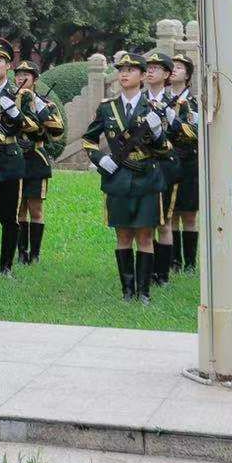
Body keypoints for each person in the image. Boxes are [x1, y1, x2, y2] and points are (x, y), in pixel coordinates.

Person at [82, 50, 173, 302]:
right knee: (123, 235)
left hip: (147, 177)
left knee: (145, 235)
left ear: (142, 76)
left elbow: (165, 150)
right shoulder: (107, 108)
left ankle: (144, 292)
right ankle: (127, 291)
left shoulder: (153, 108)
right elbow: (88, 140)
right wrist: (101, 159)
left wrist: (157, 132)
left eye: (130, 70)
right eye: (121, 70)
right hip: (118, 177)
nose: (124, 74)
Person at [0, 37, 38, 276]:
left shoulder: (21, 95)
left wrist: (15, 114)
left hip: (10, 159)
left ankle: (6, 266)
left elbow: (35, 127)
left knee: (9, 217)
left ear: (8, 65)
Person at [141, 50, 196, 286]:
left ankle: (163, 273)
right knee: (146, 221)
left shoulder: (179, 103)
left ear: (166, 74)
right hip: (141, 166)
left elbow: (192, 134)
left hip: (167, 166)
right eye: (148, 68)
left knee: (165, 221)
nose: (150, 71)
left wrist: (173, 120)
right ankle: (149, 268)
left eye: (156, 68)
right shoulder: (137, 100)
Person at [13, 59, 65, 264]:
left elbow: (57, 130)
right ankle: (21, 252)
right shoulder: (8, 101)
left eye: (26, 75)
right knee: (18, 208)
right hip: (15, 158)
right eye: (18, 75)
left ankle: (35, 253)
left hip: (36, 158)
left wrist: (38, 106)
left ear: (35, 79)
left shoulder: (46, 103)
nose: (21, 79)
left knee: (35, 208)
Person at [166, 51, 201, 272]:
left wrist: (176, 123)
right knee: (171, 213)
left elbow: (196, 132)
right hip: (167, 160)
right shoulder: (161, 100)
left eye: (179, 67)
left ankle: (189, 263)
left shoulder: (193, 102)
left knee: (188, 214)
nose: (174, 71)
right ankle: (174, 261)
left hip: (188, 160)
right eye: (172, 67)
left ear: (187, 75)